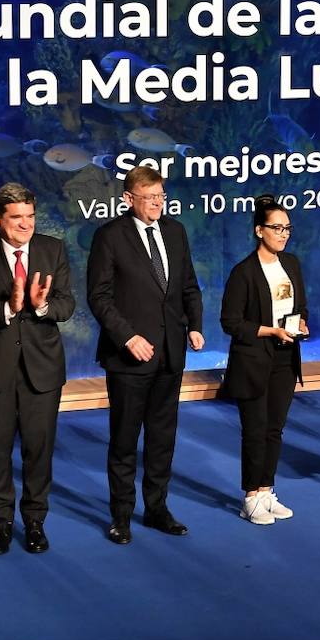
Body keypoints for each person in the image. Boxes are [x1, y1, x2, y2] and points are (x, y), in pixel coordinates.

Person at [0, 183, 75, 556]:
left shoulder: (52, 249)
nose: (25, 225)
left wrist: (40, 307)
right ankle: (2, 520)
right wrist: (9, 307)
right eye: (16, 218)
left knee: (39, 450)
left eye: (30, 216)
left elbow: (67, 304)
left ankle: (36, 521)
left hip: (41, 369)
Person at [88, 167, 204, 543]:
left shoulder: (175, 231)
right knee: (124, 439)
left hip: (170, 354)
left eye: (161, 195)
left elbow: (188, 286)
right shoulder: (110, 237)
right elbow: (99, 297)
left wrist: (196, 325)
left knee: (162, 438)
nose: (157, 203)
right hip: (129, 358)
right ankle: (120, 516)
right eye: (149, 196)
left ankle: (157, 509)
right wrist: (128, 338)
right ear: (128, 199)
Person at [219, 196, 308, 525]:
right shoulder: (243, 272)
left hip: (286, 358)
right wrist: (269, 331)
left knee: (274, 429)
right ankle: (251, 496)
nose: (283, 234)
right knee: (254, 430)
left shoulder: (292, 264)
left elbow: (301, 305)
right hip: (254, 360)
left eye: (287, 228)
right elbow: (230, 321)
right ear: (259, 231)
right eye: (276, 228)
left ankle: (267, 490)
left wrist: (301, 323)